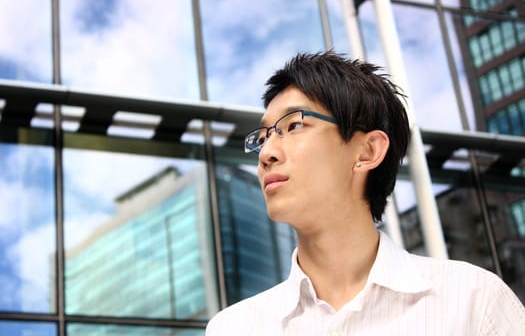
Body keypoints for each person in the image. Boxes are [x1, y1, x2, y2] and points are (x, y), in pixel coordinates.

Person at [205, 51, 525, 335]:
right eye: (264, 136)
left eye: (294, 125)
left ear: (367, 151)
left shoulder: (472, 304)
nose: (266, 153)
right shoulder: (235, 327)